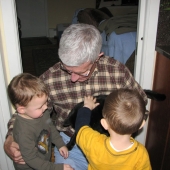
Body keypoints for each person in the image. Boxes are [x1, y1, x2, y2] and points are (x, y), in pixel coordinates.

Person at [4, 23, 148, 170]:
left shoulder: (117, 72)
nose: (72, 78)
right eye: (67, 69)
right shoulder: (50, 78)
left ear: (97, 57)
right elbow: (25, 111)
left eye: (81, 72)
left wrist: (122, 135)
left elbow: (141, 104)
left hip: (113, 146)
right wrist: (10, 137)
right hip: (71, 146)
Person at [7, 73, 73, 170]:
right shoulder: (24, 132)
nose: (46, 107)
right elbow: (32, 160)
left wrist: (60, 144)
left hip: (44, 160)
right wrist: (57, 168)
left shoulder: (42, 113)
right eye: (40, 106)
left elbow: (51, 129)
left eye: (46, 102)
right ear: (22, 109)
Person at [75, 89, 152, 170]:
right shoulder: (141, 154)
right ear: (141, 124)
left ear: (104, 124)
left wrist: (87, 106)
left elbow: (80, 126)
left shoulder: (93, 143)